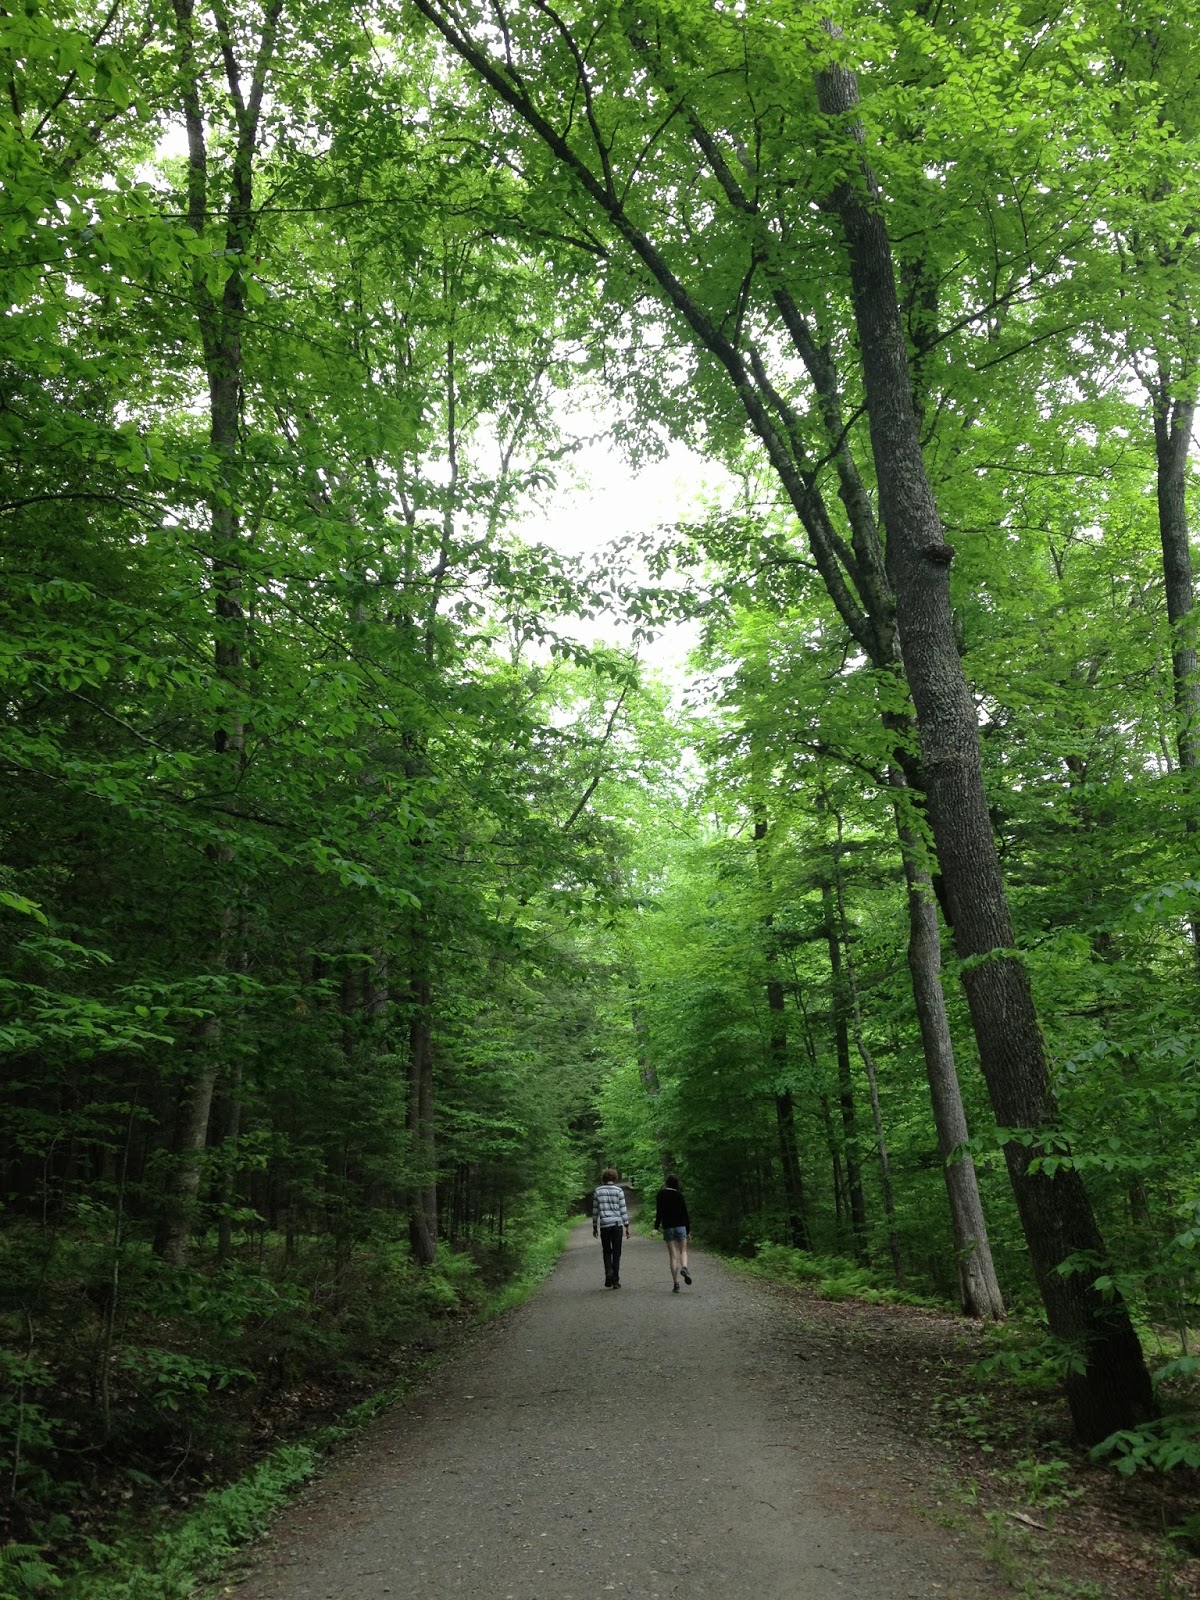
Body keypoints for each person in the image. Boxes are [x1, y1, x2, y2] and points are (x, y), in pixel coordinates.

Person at [592, 1168, 630, 1288]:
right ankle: (615, 1280)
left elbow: (595, 1211)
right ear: (614, 1178)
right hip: (617, 1224)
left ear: (603, 1178)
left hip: (604, 1225)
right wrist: (627, 1225)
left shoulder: (598, 1191)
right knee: (617, 1252)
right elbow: (623, 1209)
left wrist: (594, 1226)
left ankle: (609, 1272)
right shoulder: (619, 1191)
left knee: (607, 1251)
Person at [653, 1174, 692, 1292]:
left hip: (668, 1227)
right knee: (683, 1251)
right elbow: (685, 1214)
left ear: (666, 1183)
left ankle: (676, 1284)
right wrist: (688, 1231)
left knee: (673, 1255)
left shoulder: (661, 1194)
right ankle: (684, 1267)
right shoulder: (679, 1195)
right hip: (681, 1226)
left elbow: (659, 1212)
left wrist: (655, 1228)